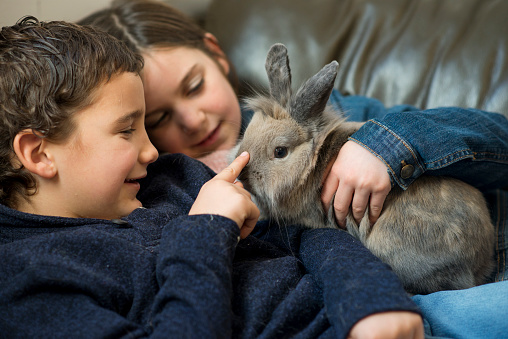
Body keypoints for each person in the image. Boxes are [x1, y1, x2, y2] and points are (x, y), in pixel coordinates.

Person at [78, 0, 508, 337]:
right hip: (385, 307)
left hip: (483, 247)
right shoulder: (166, 194)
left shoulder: (335, 116)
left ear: (216, 53)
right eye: (158, 119)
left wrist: (387, 145)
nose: (195, 120)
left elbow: (497, 140)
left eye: (195, 86)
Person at [0, 16, 425, 338]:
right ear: (38, 153)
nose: (153, 150)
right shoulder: (27, 284)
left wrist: (371, 301)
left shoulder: (168, 178)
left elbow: (302, 235)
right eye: (130, 128)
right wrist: (205, 230)